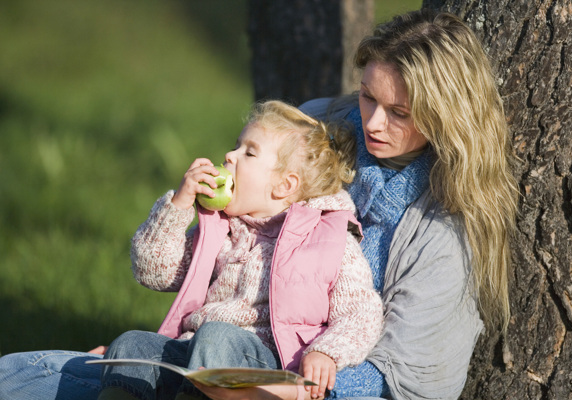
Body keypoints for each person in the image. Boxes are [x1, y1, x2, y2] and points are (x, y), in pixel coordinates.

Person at [0, 9, 519, 400]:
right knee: (19, 376)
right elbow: (174, 263)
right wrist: (134, 359)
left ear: (446, 116)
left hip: (285, 378)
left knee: (216, 346)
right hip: (200, 358)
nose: (374, 123)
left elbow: (400, 371)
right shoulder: (319, 130)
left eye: (399, 112)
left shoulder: (441, 229)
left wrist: (299, 386)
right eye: (368, 97)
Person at [98, 99, 383, 400]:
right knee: (130, 348)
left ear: (284, 186)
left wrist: (327, 352)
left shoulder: (328, 241)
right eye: (236, 146)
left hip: (266, 364)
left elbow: (361, 313)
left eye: (248, 152)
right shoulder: (222, 230)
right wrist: (179, 205)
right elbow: (154, 271)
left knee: (216, 336)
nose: (229, 156)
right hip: (195, 351)